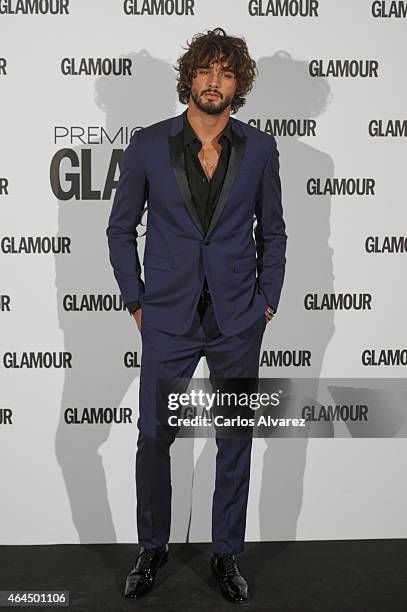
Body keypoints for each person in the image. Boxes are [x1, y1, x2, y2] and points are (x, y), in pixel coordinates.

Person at [106, 26, 287, 603]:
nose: (215, 82)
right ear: (189, 78)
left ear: (239, 84)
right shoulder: (149, 146)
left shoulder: (259, 149)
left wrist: (268, 301)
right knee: (154, 434)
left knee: (235, 438)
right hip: (166, 318)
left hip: (238, 318)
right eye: (206, 71)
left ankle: (227, 553)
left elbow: (274, 232)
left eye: (226, 72)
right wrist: (136, 300)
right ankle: (151, 546)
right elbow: (119, 228)